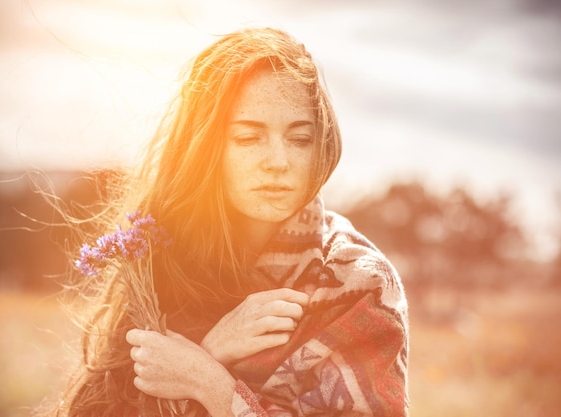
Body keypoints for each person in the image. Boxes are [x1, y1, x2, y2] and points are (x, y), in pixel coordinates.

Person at [49, 27, 408, 417]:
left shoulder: (360, 283)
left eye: (300, 139)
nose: (278, 160)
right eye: (249, 137)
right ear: (206, 148)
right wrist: (211, 348)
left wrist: (209, 382)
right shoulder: (157, 258)